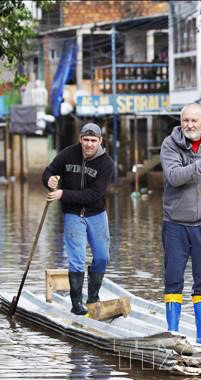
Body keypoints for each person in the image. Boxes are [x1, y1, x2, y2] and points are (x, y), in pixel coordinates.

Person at [160, 103, 201, 345]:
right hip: (176, 225)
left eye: (194, 121)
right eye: (185, 120)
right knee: (174, 278)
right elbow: (174, 177)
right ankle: (172, 336)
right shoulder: (169, 145)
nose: (189, 125)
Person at [42, 122, 114, 315]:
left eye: (93, 140)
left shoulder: (106, 163)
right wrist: (48, 180)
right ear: (80, 139)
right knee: (77, 259)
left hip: (96, 213)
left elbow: (93, 195)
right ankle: (76, 304)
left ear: (100, 141)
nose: (89, 144)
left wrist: (62, 194)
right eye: (86, 140)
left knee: (102, 257)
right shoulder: (68, 154)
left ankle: (92, 297)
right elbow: (49, 171)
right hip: (73, 214)